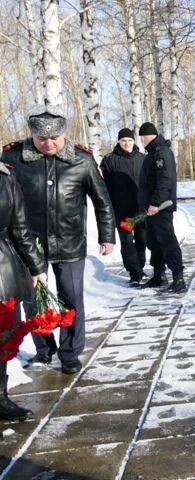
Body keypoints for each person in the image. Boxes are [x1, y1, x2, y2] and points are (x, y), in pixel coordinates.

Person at [1, 107, 115, 374]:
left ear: (64, 135)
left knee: (71, 299)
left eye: (54, 138)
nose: (48, 143)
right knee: (32, 301)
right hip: (29, 246)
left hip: (70, 244)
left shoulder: (82, 160)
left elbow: (102, 201)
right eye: (42, 138)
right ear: (32, 135)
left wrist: (107, 235)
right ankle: (44, 348)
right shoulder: (13, 157)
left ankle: (70, 353)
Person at [0, 162, 47, 420]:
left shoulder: (6, 178)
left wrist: (37, 267)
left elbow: (20, 229)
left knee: (3, 337)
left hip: (3, 270)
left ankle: (1, 398)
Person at [137, 122, 184, 293]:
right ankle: (159, 275)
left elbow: (165, 180)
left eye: (142, 136)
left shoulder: (161, 153)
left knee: (167, 241)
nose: (141, 139)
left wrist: (156, 203)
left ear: (148, 136)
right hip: (151, 208)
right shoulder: (152, 152)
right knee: (154, 241)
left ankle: (178, 277)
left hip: (161, 207)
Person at [100, 128, 147, 286]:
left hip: (141, 211)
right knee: (127, 242)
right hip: (121, 210)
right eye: (123, 141)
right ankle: (134, 273)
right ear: (118, 142)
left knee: (142, 240)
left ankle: (140, 267)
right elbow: (103, 188)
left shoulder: (143, 159)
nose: (127, 143)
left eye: (130, 140)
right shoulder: (109, 160)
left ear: (134, 141)